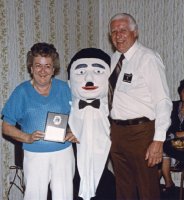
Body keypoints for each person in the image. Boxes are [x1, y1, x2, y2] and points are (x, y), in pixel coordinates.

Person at [1, 42, 78, 200]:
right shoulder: (21, 92)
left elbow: (80, 116)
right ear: (31, 68)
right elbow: (6, 127)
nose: (43, 71)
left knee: (64, 196)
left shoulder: (65, 89)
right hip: (34, 155)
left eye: (48, 66)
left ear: (53, 69)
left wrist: (74, 131)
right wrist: (27, 137)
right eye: (38, 66)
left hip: (63, 154)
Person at [108, 13, 172, 200]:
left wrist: (158, 140)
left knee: (147, 189)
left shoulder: (148, 58)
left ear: (135, 32)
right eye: (114, 31)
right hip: (117, 133)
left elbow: (163, 101)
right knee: (123, 187)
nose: (118, 35)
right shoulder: (113, 60)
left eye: (123, 30)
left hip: (142, 133)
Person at [67, 48, 111, 200]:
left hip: (104, 173)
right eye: (81, 72)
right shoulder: (65, 107)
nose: (89, 78)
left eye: (98, 72)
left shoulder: (116, 110)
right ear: (69, 82)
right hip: (73, 173)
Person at [160, 78, 184, 193]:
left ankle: (168, 184)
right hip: (170, 144)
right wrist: (171, 135)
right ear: (180, 93)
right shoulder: (172, 106)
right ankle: (164, 185)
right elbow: (162, 124)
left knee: (162, 153)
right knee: (160, 150)